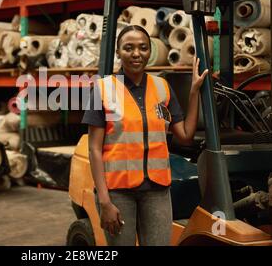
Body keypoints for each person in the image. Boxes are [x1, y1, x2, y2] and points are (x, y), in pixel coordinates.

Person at [82, 25, 208, 246]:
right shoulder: (102, 90)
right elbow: (94, 148)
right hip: (118, 192)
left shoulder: (162, 88)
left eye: (143, 47)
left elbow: (186, 135)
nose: (136, 54)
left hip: (157, 191)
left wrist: (194, 91)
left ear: (150, 51)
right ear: (119, 52)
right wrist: (104, 202)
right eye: (128, 48)